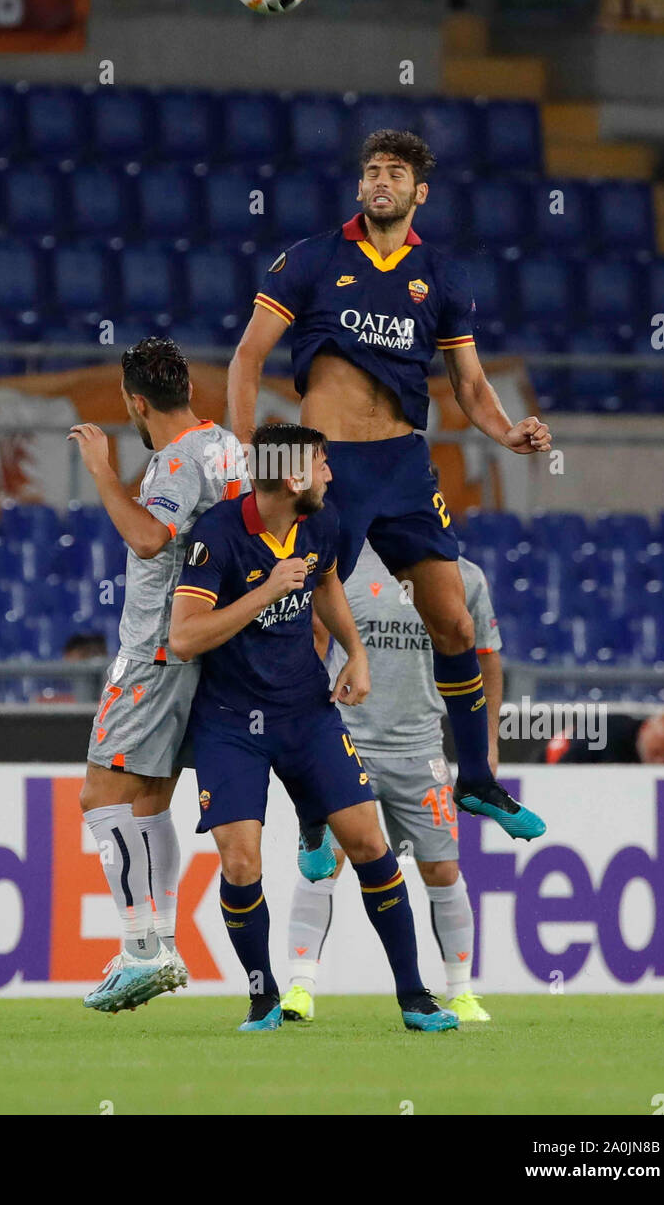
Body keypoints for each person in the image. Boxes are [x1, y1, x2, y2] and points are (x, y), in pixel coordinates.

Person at [227, 128, 549, 840]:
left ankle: (478, 781)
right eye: (372, 169)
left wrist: (506, 433)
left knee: (455, 622)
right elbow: (247, 356)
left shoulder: (439, 274)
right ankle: (315, 813)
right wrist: (247, 454)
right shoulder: (312, 260)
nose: (381, 180)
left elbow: (468, 381)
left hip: (404, 465)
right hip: (325, 465)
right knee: (307, 628)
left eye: (395, 172)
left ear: (417, 192)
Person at [169, 423, 459, 1034]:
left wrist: (354, 649)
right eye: (323, 463)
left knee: (370, 846)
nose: (333, 473)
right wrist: (266, 590)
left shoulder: (321, 525)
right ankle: (263, 997)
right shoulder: (219, 534)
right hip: (229, 724)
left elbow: (326, 579)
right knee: (241, 863)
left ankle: (414, 996)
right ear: (293, 476)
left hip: (305, 711)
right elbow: (184, 637)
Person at [68, 336, 249, 1014]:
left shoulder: (175, 462)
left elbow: (149, 538)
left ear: (135, 402)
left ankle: (145, 949)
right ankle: (158, 943)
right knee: (148, 804)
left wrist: (102, 472)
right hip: (207, 645)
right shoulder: (228, 446)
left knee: (100, 797)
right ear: (190, 392)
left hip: (156, 651)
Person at [281, 541, 502, 1026]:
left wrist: (486, 742)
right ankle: (299, 988)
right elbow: (315, 641)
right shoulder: (343, 567)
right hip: (347, 740)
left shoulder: (464, 577)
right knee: (325, 865)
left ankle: (461, 992)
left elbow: (484, 659)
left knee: (443, 870)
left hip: (422, 747)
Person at [544, 709, 664, 764]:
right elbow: (563, 767)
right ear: (645, 728)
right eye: (655, 752)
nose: (660, 762)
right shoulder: (603, 732)